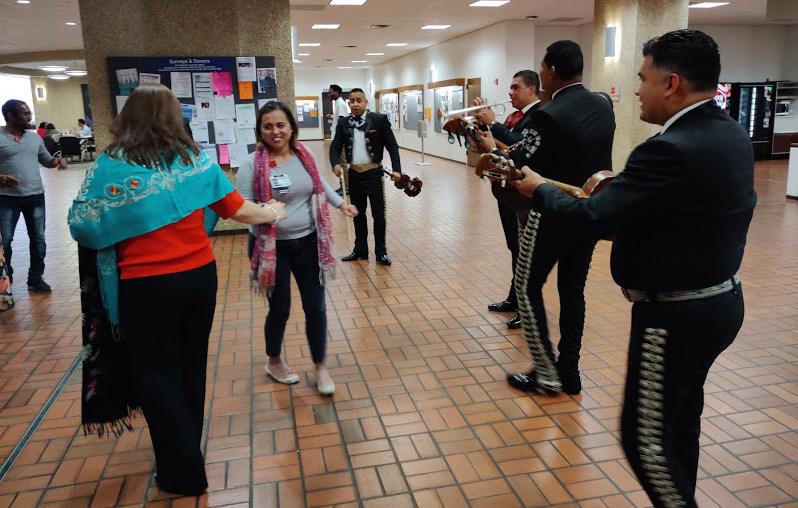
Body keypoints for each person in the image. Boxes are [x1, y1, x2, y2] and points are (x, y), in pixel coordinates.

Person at [511, 29, 755, 508]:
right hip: (719, 304)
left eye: (642, 78)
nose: (636, 89)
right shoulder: (728, 132)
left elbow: (591, 220)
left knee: (644, 441)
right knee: (680, 423)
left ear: (671, 83)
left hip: (674, 316)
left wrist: (537, 188)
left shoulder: (669, 148)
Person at [68, 85, 283, 496]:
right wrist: (273, 211)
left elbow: (84, 225)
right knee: (191, 364)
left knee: (154, 371)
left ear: (127, 117)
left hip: (143, 286)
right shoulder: (195, 162)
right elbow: (239, 210)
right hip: (199, 279)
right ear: (174, 119)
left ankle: (182, 470)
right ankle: (185, 452)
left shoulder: (109, 166)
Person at [481, 41, 615, 395]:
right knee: (573, 292)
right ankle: (569, 370)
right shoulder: (603, 105)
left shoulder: (548, 114)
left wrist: (491, 146)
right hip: (587, 212)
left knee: (526, 286)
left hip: (550, 213)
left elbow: (523, 164)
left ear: (551, 70)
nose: (540, 74)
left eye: (542, 68)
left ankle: (546, 371)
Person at [237, 101, 357, 395]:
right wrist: (269, 212)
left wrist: (341, 204)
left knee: (316, 308)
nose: (275, 131)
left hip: (309, 242)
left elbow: (320, 185)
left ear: (291, 127)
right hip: (271, 247)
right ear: (260, 130)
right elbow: (243, 206)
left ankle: (320, 366)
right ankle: (274, 361)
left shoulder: (305, 154)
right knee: (280, 309)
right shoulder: (252, 163)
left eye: (281, 125)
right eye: (268, 126)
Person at [473, 70, 542, 330]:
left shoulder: (538, 117)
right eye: (510, 87)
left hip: (524, 196)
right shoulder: (515, 116)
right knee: (515, 248)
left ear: (532, 90)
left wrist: (495, 124)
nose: (510, 92)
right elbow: (501, 148)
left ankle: (526, 309)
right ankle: (514, 299)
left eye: (516, 87)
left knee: (524, 252)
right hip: (506, 190)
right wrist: (481, 130)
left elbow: (520, 148)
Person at [0, 100, 68, 292]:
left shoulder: (34, 138)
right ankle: (7, 279)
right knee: (5, 240)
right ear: (11, 116)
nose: (30, 117)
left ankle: (36, 277)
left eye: (30, 113)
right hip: (6, 198)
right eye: (25, 114)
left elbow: (45, 160)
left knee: (38, 239)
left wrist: (57, 161)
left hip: (35, 195)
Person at [330, 88, 402, 266]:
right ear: (348, 103)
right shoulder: (344, 123)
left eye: (359, 100)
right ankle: (360, 250)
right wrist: (335, 164)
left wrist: (397, 170)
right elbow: (334, 147)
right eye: (352, 101)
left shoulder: (379, 120)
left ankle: (381, 252)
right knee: (357, 214)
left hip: (374, 175)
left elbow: (392, 146)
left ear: (366, 102)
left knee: (379, 215)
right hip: (354, 175)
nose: (355, 104)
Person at [327, 84, 349, 196]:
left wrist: (340, 140)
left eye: (331, 92)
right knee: (342, 163)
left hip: (340, 139)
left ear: (337, 92)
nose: (329, 94)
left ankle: (345, 187)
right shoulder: (338, 104)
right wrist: (332, 117)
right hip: (338, 138)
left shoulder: (340, 104)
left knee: (343, 164)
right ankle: (344, 186)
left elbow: (342, 121)